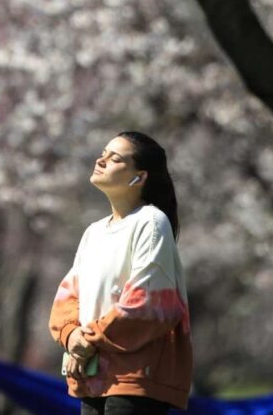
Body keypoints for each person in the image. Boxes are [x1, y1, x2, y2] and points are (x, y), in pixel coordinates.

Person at [49, 131, 193, 414]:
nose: (100, 160)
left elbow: (148, 301)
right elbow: (67, 297)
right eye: (103, 153)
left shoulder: (151, 222)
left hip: (136, 377)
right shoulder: (94, 231)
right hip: (92, 373)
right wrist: (71, 335)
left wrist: (86, 341)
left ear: (138, 177)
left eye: (114, 158)